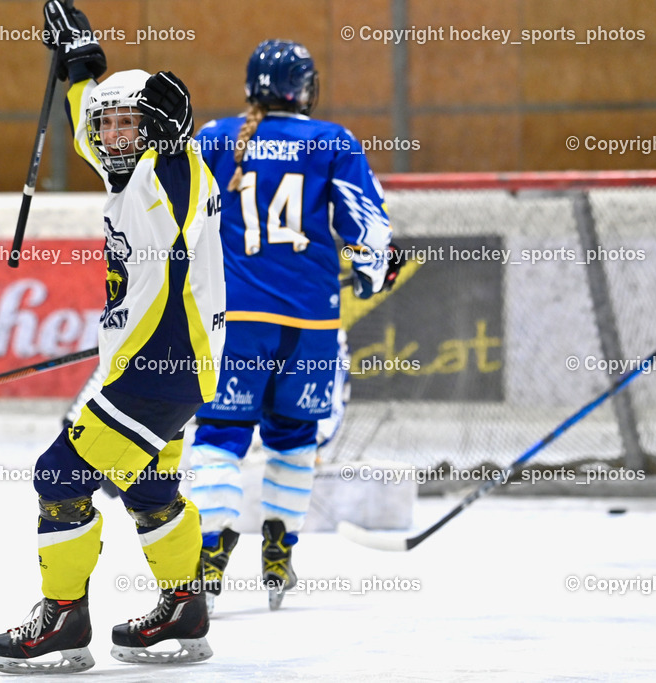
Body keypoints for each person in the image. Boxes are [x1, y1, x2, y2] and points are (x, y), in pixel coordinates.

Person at [0, 0, 226, 673]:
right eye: (109, 125)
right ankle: (184, 607)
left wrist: (166, 114)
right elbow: (89, 118)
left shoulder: (170, 172)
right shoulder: (128, 161)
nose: (113, 136)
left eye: (131, 125)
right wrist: (79, 61)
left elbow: (167, 158)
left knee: (59, 475)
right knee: (151, 492)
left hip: (157, 368)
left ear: (159, 130)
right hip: (170, 367)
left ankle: (63, 621)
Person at [188, 39, 403, 613]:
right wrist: (371, 268)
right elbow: (369, 219)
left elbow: (170, 209)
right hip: (310, 321)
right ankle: (280, 550)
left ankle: (209, 550)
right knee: (294, 439)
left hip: (236, 322)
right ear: (305, 88)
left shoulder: (212, 138)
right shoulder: (333, 140)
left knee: (218, 437)